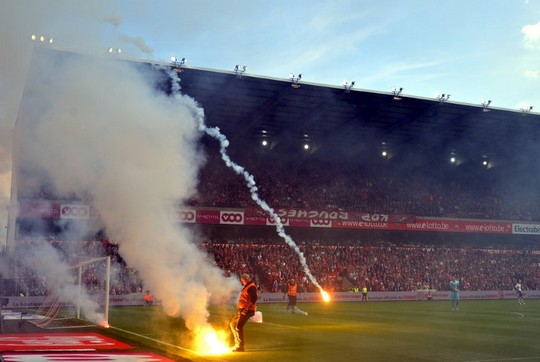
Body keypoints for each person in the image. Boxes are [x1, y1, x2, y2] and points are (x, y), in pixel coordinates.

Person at [230, 273, 258, 352]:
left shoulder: (251, 287)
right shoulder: (247, 286)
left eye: (242, 280)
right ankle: (237, 344)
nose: (242, 282)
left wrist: (246, 309)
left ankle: (240, 347)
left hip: (247, 310)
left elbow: (254, 299)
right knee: (232, 324)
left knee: (238, 327)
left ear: (246, 278)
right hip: (242, 310)